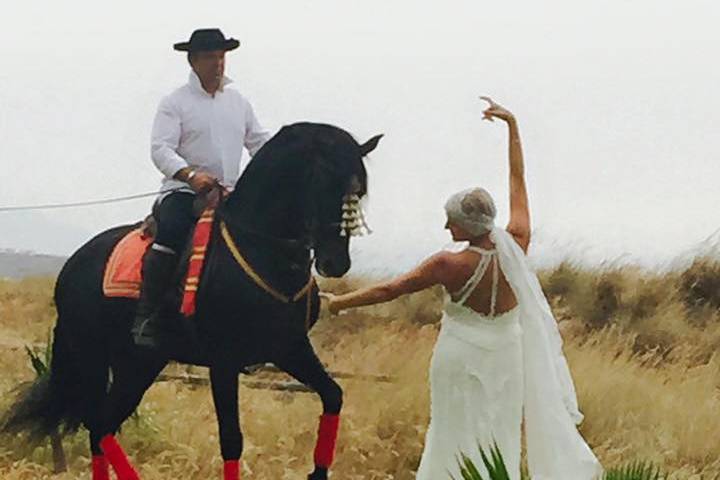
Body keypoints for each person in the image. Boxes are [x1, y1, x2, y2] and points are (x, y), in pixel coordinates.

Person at [323, 98, 603, 479]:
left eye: (450, 221)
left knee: (451, 435)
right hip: (507, 358)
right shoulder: (516, 242)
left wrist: (337, 303)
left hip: (459, 360)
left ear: (465, 225)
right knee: (498, 433)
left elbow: (392, 289)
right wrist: (512, 127)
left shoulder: (448, 264)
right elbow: (518, 181)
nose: (445, 228)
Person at [131, 28, 271, 347]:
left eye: (221, 56)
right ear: (193, 60)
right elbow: (161, 149)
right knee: (173, 231)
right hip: (183, 193)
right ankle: (147, 316)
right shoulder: (174, 102)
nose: (218, 63)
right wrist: (191, 175)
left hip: (230, 196)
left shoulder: (239, 101)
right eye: (210, 56)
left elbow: (258, 142)